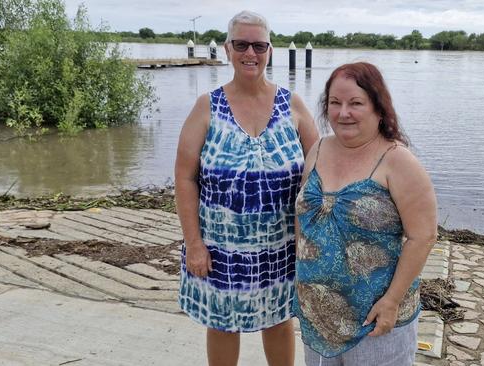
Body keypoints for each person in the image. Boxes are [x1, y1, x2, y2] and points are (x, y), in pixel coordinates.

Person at [175, 10, 318, 366]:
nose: (250, 53)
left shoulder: (293, 105)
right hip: (221, 247)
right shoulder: (207, 106)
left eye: (259, 45)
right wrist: (194, 243)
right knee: (223, 324)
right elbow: (184, 177)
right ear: (227, 49)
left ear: (270, 50)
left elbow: (321, 170)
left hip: (281, 247)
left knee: (279, 321)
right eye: (241, 44)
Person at [293, 62, 438, 365]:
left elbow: (422, 236)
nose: (343, 112)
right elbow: (305, 217)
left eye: (355, 103)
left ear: (378, 108)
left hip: (374, 319)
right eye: (335, 103)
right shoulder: (318, 149)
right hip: (319, 314)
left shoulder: (398, 161)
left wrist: (392, 301)